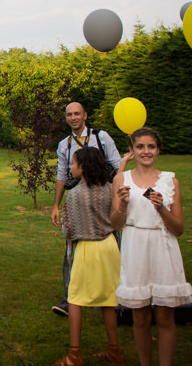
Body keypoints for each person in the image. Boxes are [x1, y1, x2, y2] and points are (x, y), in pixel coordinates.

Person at [111, 127, 192, 366]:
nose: (146, 151)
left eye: (151, 146)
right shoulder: (121, 179)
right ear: (132, 150)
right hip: (135, 246)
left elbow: (178, 228)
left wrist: (162, 209)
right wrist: (123, 204)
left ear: (158, 150)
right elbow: (115, 224)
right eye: (140, 147)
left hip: (162, 247)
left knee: (165, 316)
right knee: (140, 317)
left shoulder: (170, 181)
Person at [51, 102, 121, 316]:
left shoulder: (101, 137)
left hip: (104, 196)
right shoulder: (64, 144)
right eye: (69, 114)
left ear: (85, 116)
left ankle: (115, 295)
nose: (73, 118)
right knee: (73, 246)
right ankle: (69, 298)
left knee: (110, 241)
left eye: (77, 114)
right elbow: (61, 175)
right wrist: (56, 205)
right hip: (79, 197)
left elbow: (117, 165)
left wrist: (119, 196)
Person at [54, 147, 122, 366]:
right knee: (108, 300)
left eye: (74, 163)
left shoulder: (75, 194)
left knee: (74, 298)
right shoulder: (109, 189)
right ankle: (114, 350)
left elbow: (69, 229)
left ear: (83, 167)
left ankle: (74, 354)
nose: (71, 167)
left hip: (87, 248)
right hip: (110, 246)